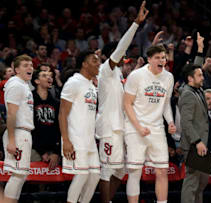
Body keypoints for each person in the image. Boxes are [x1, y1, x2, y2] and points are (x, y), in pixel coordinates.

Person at [96, 2, 148, 203]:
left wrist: (138, 71)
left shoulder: (116, 74)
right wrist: (135, 24)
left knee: (120, 170)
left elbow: (125, 90)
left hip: (120, 127)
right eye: (122, 56)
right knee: (107, 169)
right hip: (109, 126)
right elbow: (120, 48)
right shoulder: (106, 70)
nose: (124, 59)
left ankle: (107, 199)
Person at [123, 44, 176, 203]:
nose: (162, 60)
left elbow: (166, 103)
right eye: (158, 58)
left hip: (157, 128)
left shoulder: (168, 77)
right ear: (149, 59)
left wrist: (171, 122)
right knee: (135, 171)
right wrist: (138, 127)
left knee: (162, 171)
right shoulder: (136, 75)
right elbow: (126, 104)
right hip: (135, 126)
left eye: (164, 57)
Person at [58, 51, 101, 203]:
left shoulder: (91, 85)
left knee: (95, 176)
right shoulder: (74, 82)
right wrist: (66, 140)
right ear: (84, 63)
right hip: (75, 138)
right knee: (82, 175)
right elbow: (62, 113)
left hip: (89, 140)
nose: (98, 63)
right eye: (94, 60)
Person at [3, 54, 34, 203]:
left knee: (21, 175)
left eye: (31, 65)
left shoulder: (23, 85)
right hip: (17, 133)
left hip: (23, 133)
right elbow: (11, 114)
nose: (30, 68)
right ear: (16, 70)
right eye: (25, 65)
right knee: (18, 175)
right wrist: (11, 140)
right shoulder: (15, 84)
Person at [178, 63, 209, 203]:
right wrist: (197, 142)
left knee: (201, 184)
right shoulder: (187, 94)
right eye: (199, 75)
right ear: (190, 78)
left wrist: (200, 49)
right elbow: (186, 123)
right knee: (192, 184)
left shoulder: (198, 90)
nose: (203, 77)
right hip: (194, 145)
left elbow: (193, 66)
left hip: (202, 143)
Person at [31, 69, 60, 169]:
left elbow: (58, 129)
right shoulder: (30, 100)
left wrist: (56, 152)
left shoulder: (56, 103)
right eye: (44, 75)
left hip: (52, 149)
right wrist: (42, 152)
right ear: (37, 81)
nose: (49, 78)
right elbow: (31, 128)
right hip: (34, 147)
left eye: (50, 76)